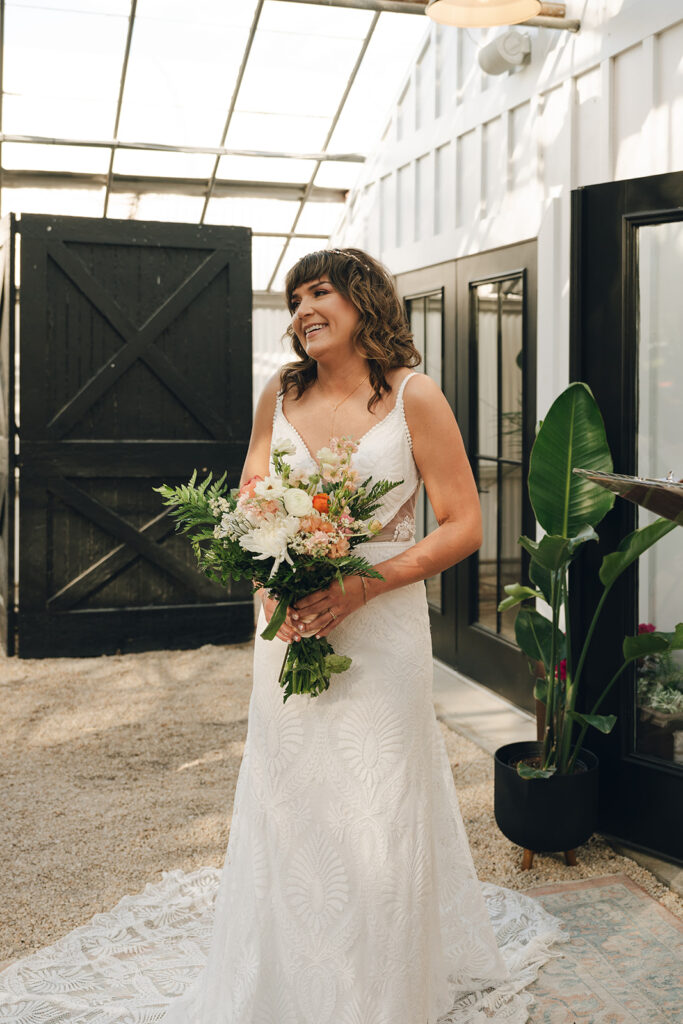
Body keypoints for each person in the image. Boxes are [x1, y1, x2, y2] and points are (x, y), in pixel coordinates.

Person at [0, 247, 565, 1024]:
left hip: (380, 617)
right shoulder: (281, 391)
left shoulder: (413, 397)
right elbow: (250, 499)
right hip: (288, 616)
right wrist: (275, 589)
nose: (301, 311)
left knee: (377, 798)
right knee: (291, 789)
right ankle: (286, 975)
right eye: (294, 298)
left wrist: (361, 584)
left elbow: (463, 524)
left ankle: (378, 988)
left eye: (318, 292)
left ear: (364, 300)